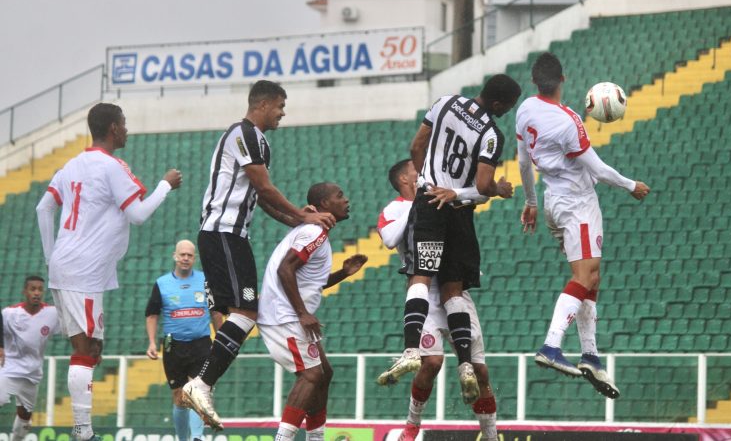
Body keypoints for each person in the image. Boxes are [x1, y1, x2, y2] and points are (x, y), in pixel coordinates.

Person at [184, 80, 336, 431]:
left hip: (231, 235)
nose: (283, 113)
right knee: (247, 313)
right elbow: (265, 187)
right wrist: (305, 217)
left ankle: (202, 385)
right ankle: (201, 384)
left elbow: (262, 197)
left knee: (243, 314)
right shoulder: (244, 134)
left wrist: (293, 218)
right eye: (280, 106)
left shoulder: (258, 142)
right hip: (222, 232)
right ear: (264, 104)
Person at [35, 103, 182, 441]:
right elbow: (139, 214)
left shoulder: (72, 164)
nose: (127, 130)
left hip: (73, 267)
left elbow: (44, 207)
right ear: (114, 128)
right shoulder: (111, 167)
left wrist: (50, 256)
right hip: (83, 270)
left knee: (91, 350)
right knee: (84, 351)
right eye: (125, 124)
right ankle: (82, 431)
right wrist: (165, 185)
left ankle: (83, 429)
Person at [377, 74, 521, 405]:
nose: (506, 111)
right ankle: (466, 366)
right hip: (459, 213)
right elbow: (484, 185)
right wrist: (494, 189)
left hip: (429, 202)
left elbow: (416, 146)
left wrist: (428, 180)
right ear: (499, 104)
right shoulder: (491, 135)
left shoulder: (446, 102)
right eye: (508, 106)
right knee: (453, 290)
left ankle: (411, 349)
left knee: (420, 276)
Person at [515, 52, 650, 399]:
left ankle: (590, 355)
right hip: (578, 205)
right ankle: (551, 345)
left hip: (551, 203)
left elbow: (523, 161)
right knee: (584, 277)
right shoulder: (569, 121)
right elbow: (599, 169)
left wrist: (530, 201)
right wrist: (630, 185)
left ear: (534, 81)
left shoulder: (525, 109)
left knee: (592, 277)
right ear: (564, 79)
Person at [378, 160, 498, 441]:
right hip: (425, 295)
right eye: (415, 169)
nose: (422, 170)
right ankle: (412, 424)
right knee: (431, 362)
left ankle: (491, 435)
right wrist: (421, 206)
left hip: (455, 290)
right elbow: (389, 238)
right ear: (406, 180)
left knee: (479, 371)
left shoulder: (444, 192)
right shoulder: (393, 209)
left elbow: (475, 196)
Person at [257, 182, 366, 441]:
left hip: (287, 312)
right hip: (284, 315)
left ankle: (315, 437)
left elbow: (309, 281)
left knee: (323, 373)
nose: (346, 199)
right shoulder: (314, 232)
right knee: (311, 374)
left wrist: (342, 273)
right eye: (340, 195)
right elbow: (286, 269)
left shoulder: (314, 233)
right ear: (325, 205)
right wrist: (303, 313)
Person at [145, 240, 223, 441]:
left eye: (189, 255)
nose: (186, 258)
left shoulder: (206, 281)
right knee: (180, 397)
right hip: (174, 346)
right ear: (175, 256)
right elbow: (152, 315)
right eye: (182, 255)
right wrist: (152, 342)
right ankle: (182, 439)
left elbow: (215, 312)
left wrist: (221, 338)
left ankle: (197, 437)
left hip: (201, 344)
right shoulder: (162, 284)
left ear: (194, 258)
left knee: (197, 392)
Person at [1, 276, 61, 441]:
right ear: (24, 291)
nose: (36, 293)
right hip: (9, 368)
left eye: (40, 289)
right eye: (32, 289)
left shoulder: (52, 313)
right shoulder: (10, 313)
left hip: (33, 372)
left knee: (25, 414)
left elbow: (69, 327)